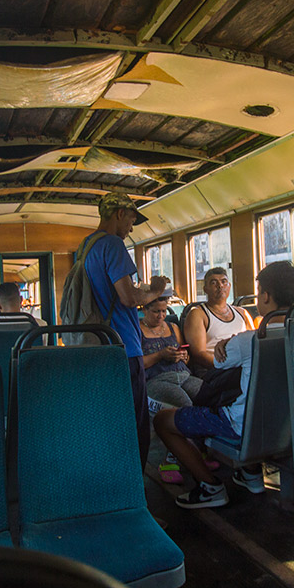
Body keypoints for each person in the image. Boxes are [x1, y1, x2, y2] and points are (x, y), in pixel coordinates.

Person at [153, 260, 294, 509]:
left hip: (242, 425)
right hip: (289, 425)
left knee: (162, 420)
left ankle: (210, 486)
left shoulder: (246, 341)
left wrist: (229, 344)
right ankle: (251, 474)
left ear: (264, 296)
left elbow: (224, 364)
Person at [84, 192, 169, 466]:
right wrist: (156, 290)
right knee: (135, 420)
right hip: (124, 346)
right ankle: (136, 485)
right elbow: (129, 299)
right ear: (120, 213)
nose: (132, 228)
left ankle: (112, 476)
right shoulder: (112, 244)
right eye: (132, 219)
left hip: (99, 344)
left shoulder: (87, 246)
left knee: (109, 417)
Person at [184, 267, 254, 376]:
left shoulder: (242, 313)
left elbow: (252, 342)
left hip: (241, 366)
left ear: (229, 286)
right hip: (213, 369)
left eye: (224, 282)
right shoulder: (198, 314)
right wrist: (226, 365)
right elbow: (199, 354)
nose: (220, 286)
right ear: (205, 289)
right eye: (213, 283)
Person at [140, 297, 201, 407]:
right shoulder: (138, 330)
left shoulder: (173, 327)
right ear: (144, 309)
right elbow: (137, 363)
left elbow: (187, 359)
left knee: (210, 395)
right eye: (156, 311)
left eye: (164, 311)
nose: (161, 316)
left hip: (183, 376)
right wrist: (160, 355)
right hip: (156, 379)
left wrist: (183, 356)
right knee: (185, 405)